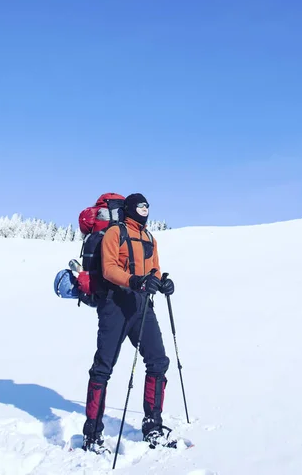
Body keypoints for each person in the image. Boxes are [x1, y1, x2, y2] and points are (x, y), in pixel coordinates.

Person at [82, 193, 175, 453]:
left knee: (158, 361)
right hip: (115, 304)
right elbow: (109, 268)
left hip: (141, 304)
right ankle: (92, 432)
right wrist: (134, 281)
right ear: (131, 209)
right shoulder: (115, 233)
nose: (145, 210)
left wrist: (162, 281)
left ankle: (153, 424)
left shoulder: (149, 238)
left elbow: (154, 268)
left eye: (147, 206)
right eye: (141, 206)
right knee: (103, 367)